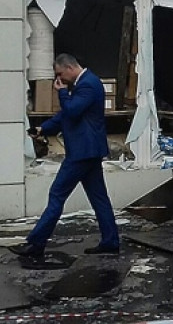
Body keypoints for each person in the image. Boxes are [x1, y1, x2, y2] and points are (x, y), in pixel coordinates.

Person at [10, 53, 120, 258]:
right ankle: (111, 241)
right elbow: (65, 116)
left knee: (57, 194)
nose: (59, 79)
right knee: (99, 198)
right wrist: (43, 128)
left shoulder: (88, 85)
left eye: (60, 74)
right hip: (89, 151)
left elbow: (72, 111)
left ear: (70, 68)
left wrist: (62, 93)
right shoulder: (84, 84)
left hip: (81, 153)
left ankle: (36, 243)